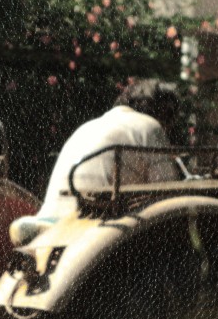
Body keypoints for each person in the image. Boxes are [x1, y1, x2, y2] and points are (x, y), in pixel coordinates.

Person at [34, 79, 182, 221]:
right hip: (91, 224)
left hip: (52, 218)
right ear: (163, 112)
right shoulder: (150, 126)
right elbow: (167, 193)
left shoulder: (89, 126)